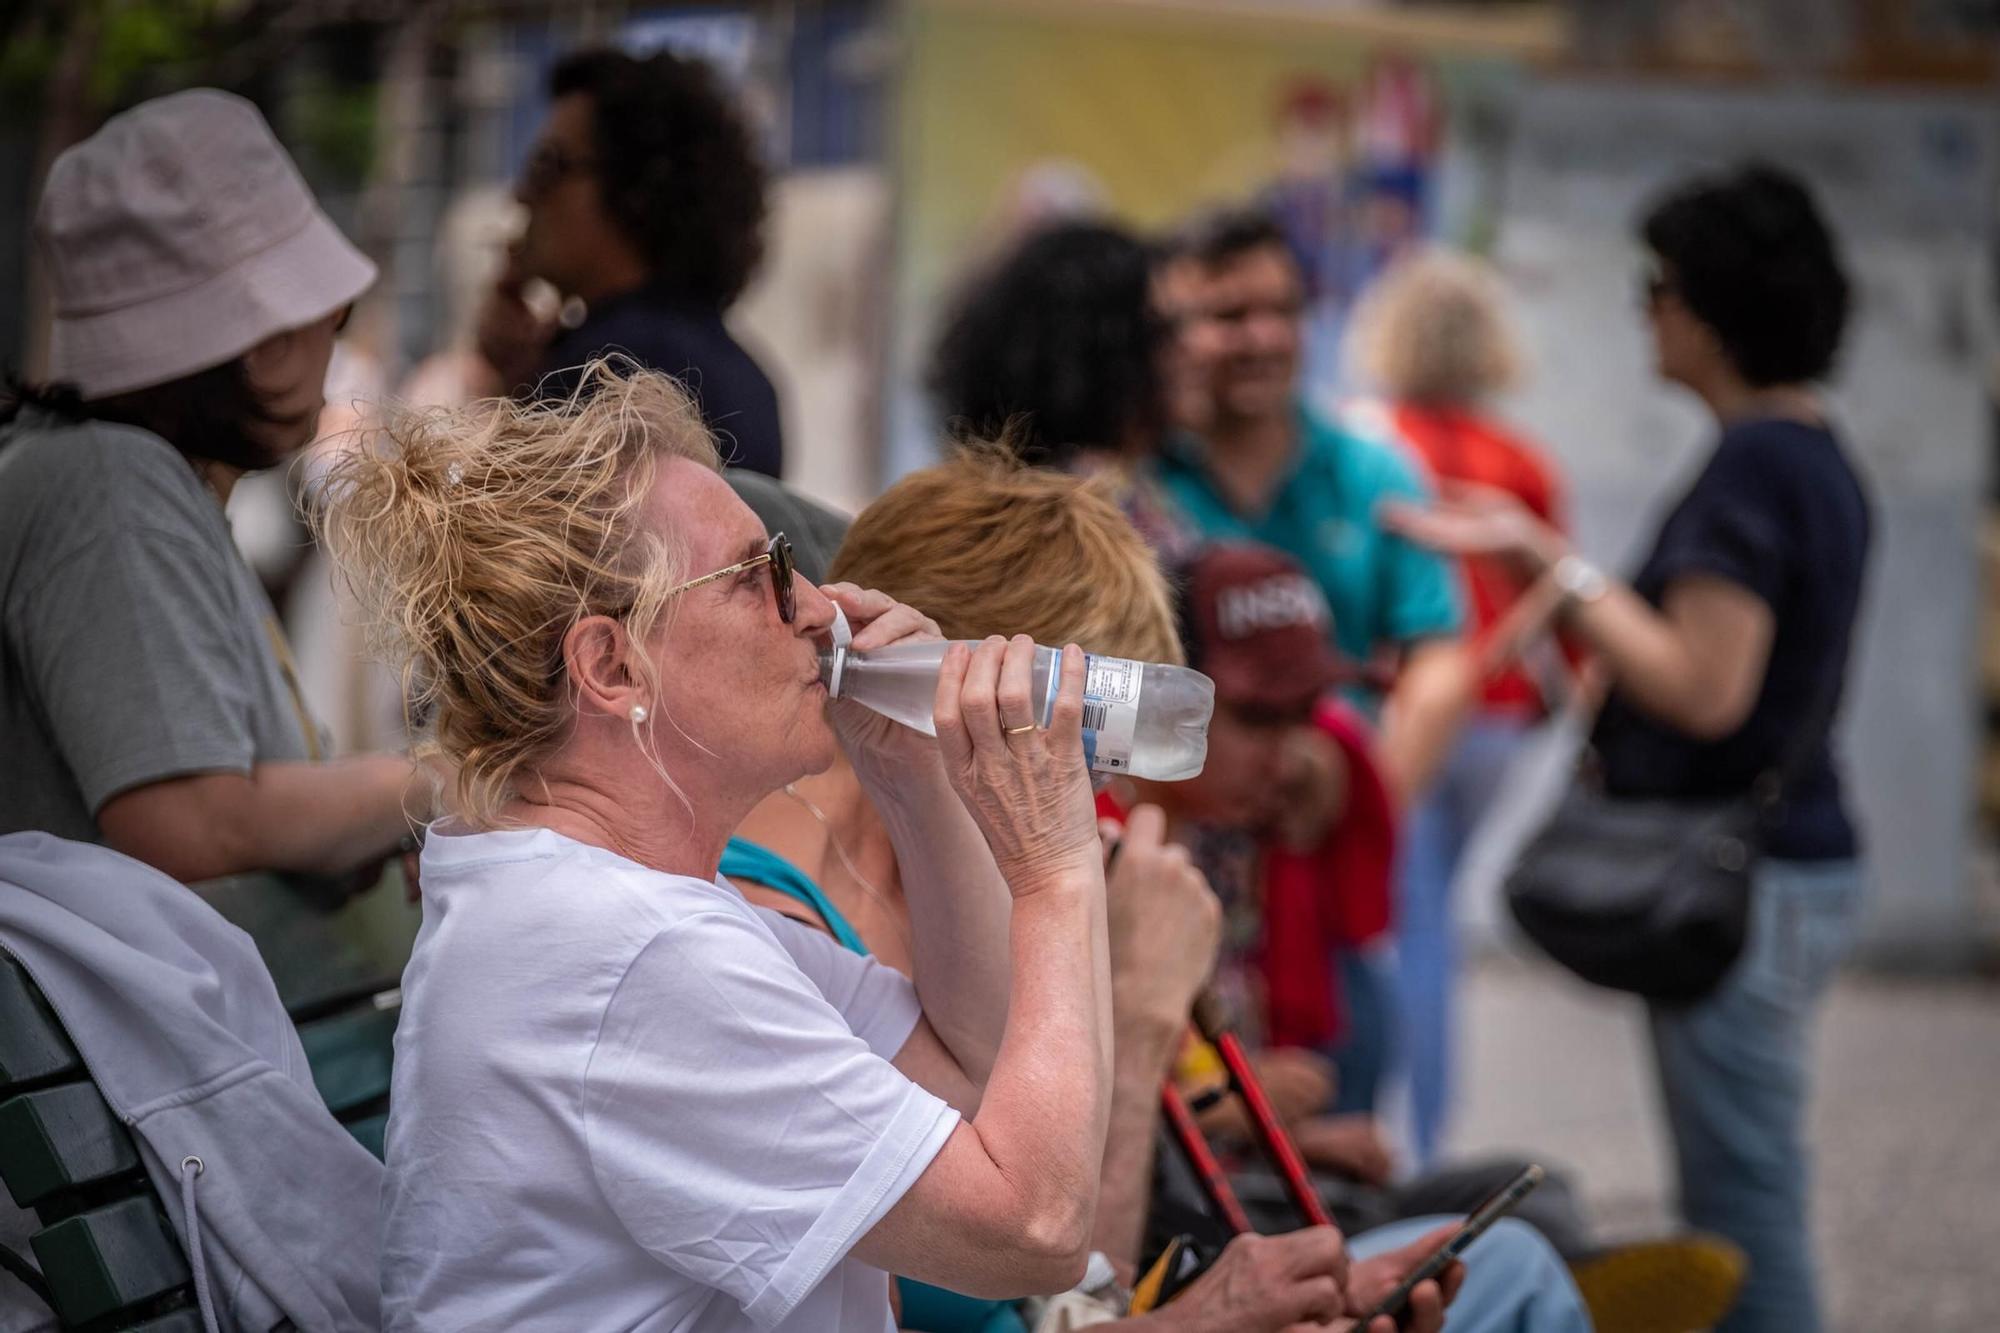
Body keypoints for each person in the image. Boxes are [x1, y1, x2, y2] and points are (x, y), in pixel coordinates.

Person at [732, 453, 1582, 1333]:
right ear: (971, 698)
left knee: (1510, 1256)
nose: (1110, 793)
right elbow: (1061, 1281)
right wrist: (1133, 1017)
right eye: (1089, 742)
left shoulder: (919, 876)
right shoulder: (791, 918)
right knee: (1517, 1270)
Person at [1383, 163, 1871, 1333]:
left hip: (1739, 873)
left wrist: (1545, 564)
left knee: (1741, 1204)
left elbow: (1704, 687)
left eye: (1655, 287)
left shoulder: (1755, 464)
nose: (1644, 311)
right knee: (1742, 1180)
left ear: (1706, 308)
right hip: (1790, 855)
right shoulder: (1813, 453)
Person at [0, 91, 430, 975]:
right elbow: (186, 821)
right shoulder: (110, 483)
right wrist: (436, 785)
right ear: (260, 341)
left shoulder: (114, 475)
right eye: (326, 314)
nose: (327, 338)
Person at [1345, 247, 1573, 1169]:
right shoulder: (1521, 459)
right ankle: (1428, 1132)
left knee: (1408, 919)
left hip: (1402, 708)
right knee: (1434, 919)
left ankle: (1402, 1139)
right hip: (1499, 717)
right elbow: (1566, 589)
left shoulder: (1367, 447)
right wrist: (1504, 654)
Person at [1148, 206, 1468, 807]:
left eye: (1283, 311)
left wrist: (1369, 800)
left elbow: (1439, 658)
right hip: (1175, 813)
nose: (1263, 337)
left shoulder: (1373, 473)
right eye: (1230, 316)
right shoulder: (1138, 486)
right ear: (1169, 335)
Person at [478, 47, 784, 476]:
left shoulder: (603, 369)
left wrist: (511, 395)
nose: (523, 194)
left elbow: (501, 526)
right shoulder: (750, 378)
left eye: (548, 166)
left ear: (635, 189)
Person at [927, 220, 1196, 561]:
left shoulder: (1006, 501)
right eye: (1163, 330)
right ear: (1099, 351)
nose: (1193, 347)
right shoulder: (1082, 519)